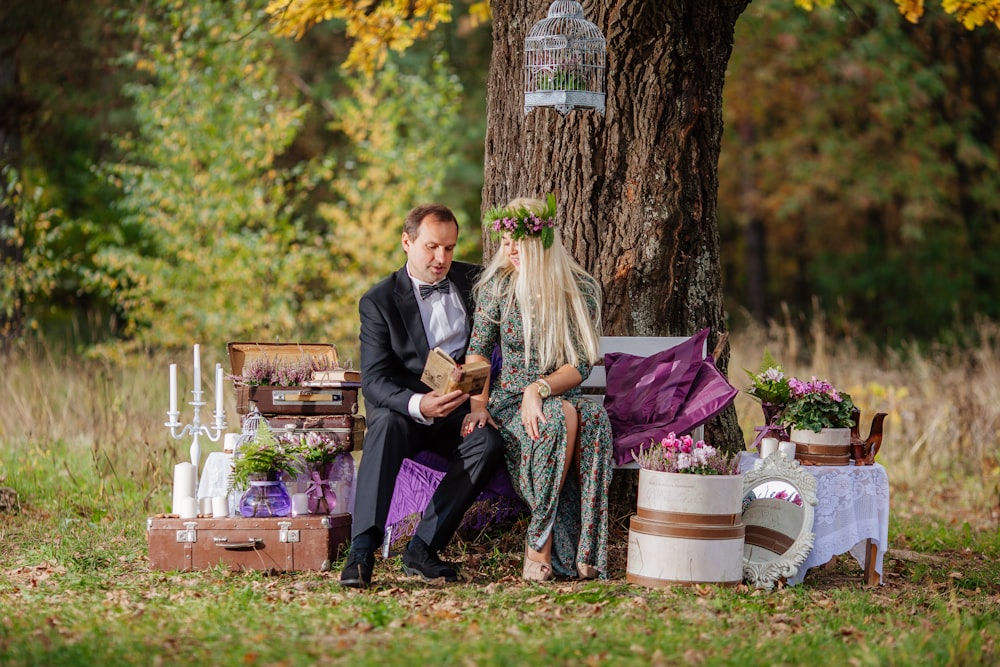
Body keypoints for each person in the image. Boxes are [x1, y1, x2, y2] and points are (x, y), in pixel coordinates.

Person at [340, 203, 505, 588]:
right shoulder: (378, 301)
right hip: (407, 413)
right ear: (406, 241)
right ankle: (361, 550)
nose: (441, 258)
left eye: (449, 248)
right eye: (431, 247)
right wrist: (419, 404)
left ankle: (423, 548)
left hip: (459, 411)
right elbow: (375, 381)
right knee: (383, 427)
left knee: (488, 442)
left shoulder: (476, 281)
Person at [463, 194, 613, 581]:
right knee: (556, 420)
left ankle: (588, 550)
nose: (510, 251)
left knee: (593, 418)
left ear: (543, 241)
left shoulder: (580, 289)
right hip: (511, 402)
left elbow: (580, 364)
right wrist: (478, 405)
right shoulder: (498, 287)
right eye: (506, 242)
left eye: (520, 242)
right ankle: (539, 547)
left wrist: (539, 388)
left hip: (556, 394)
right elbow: (478, 354)